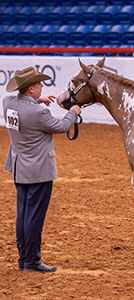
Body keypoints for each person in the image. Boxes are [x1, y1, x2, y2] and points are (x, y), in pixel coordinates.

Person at [2, 66, 81, 273]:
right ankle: (31, 261)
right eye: (38, 84)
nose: (41, 86)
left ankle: (24, 258)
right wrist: (73, 112)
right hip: (38, 171)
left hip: (20, 167)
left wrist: (38, 99)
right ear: (30, 89)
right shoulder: (39, 113)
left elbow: (24, 109)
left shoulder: (7, 102)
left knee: (23, 214)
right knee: (34, 217)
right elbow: (62, 126)